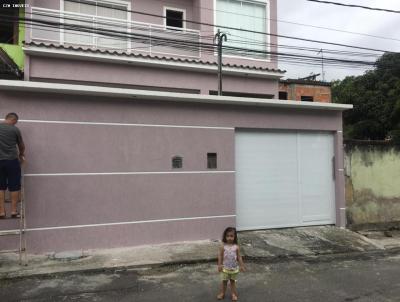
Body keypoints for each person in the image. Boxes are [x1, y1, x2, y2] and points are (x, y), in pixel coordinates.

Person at [0, 112, 25, 219]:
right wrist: (21, 154)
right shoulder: (15, 129)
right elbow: (21, 145)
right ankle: (14, 211)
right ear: (14, 120)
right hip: (11, 161)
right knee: (14, 186)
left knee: (0, 187)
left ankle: (1, 212)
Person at [217, 227, 245, 301]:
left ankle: (233, 294)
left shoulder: (236, 247)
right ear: (225, 237)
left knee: (232, 282)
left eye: (231, 236)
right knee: (224, 282)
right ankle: (222, 293)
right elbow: (220, 256)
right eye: (227, 236)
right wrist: (219, 265)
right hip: (225, 268)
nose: (229, 238)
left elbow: (239, 257)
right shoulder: (223, 246)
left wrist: (242, 265)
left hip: (234, 268)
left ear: (235, 237)